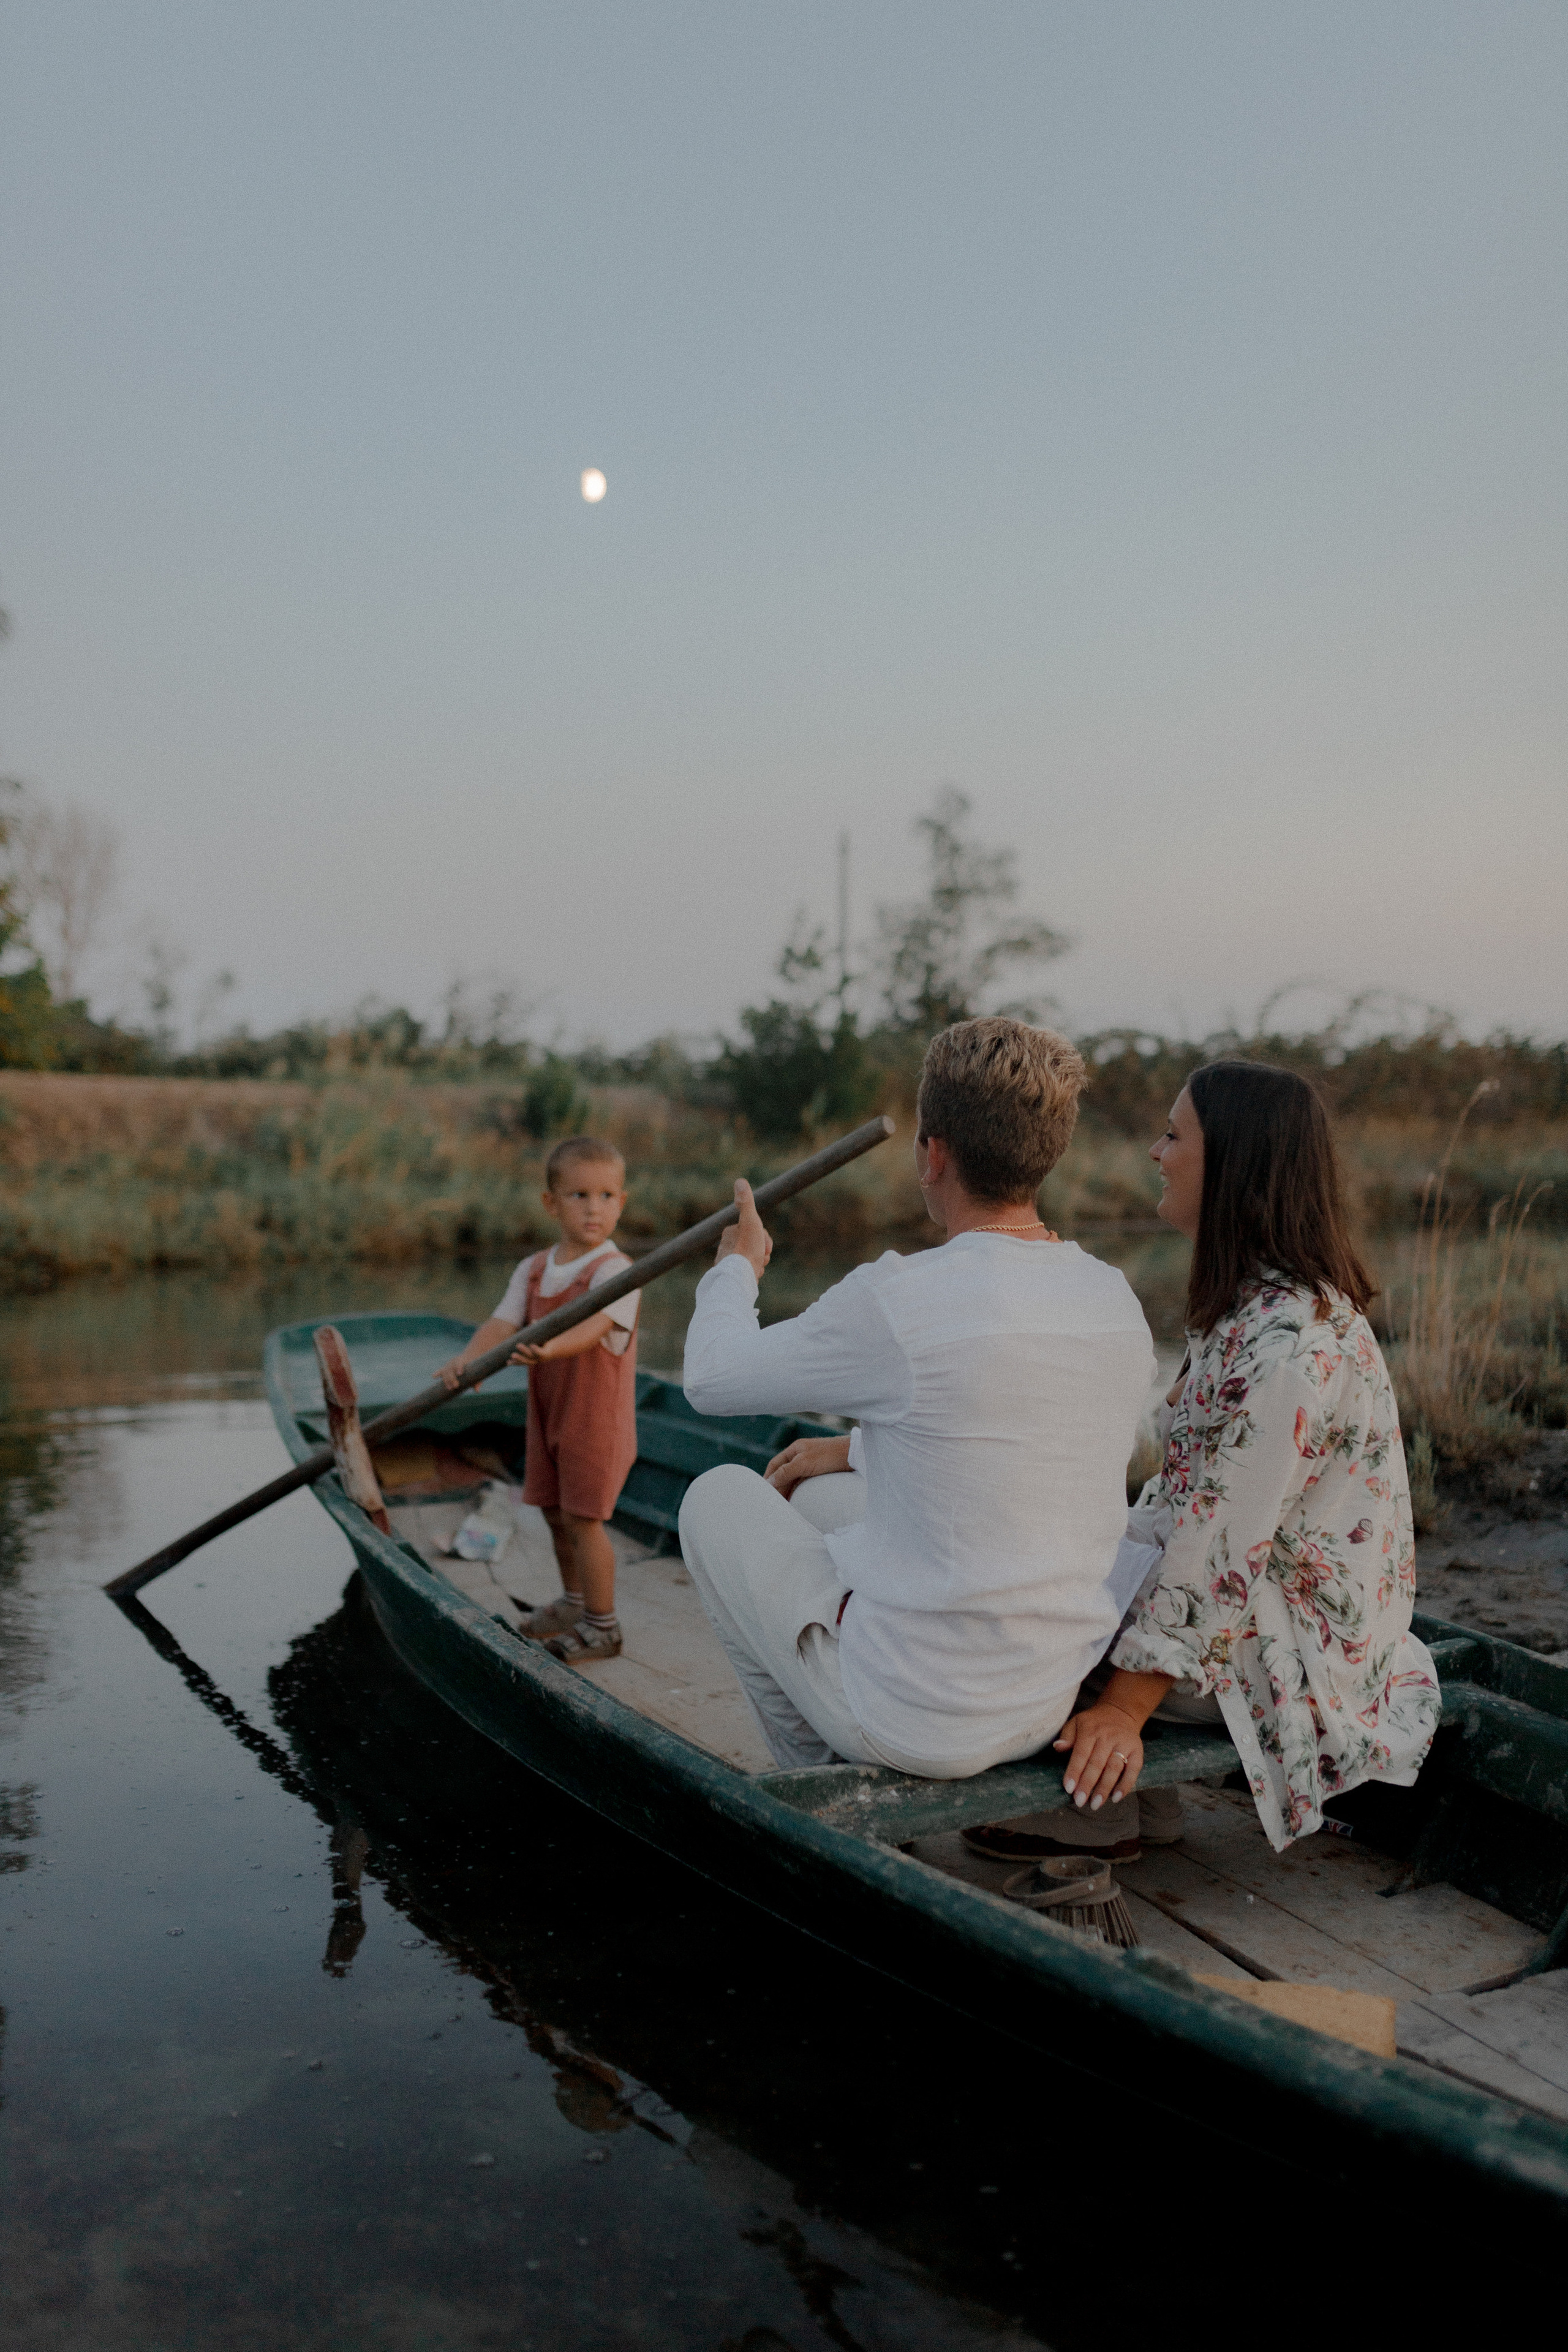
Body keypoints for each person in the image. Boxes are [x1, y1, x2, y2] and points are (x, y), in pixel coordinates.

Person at [676, 1019, 1157, 1777]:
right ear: (1048, 1153)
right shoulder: (1111, 1296)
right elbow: (1001, 1435)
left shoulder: (898, 1298)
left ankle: (819, 1781)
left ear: (933, 1155)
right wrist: (851, 1449)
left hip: (918, 1718)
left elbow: (710, 1378)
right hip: (1043, 1697)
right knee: (812, 1496)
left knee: (716, 1495)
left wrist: (736, 1270)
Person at [1044, 1060, 1441, 1856]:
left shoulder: (1286, 1347)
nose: (1157, 1152)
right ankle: (1134, 1806)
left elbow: (1211, 1559)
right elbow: (1177, 1488)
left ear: (1230, 1162)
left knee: (1019, 1623)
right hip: (1256, 1618)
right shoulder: (1259, 1303)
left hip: (1288, 1656)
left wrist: (1123, 1710)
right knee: (1037, 1577)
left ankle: (1098, 1805)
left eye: (1172, 1134)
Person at [437, 1136, 639, 1662]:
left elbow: (595, 1328)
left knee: (584, 1520)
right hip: (549, 1417)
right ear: (551, 1204)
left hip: (596, 1421)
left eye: (606, 1196)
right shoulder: (533, 1270)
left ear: (622, 1201)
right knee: (552, 1511)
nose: (594, 1208)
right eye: (578, 1195)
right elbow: (501, 1323)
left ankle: (604, 1626)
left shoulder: (618, 1271)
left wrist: (548, 1347)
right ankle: (575, 1602)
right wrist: (470, 1359)